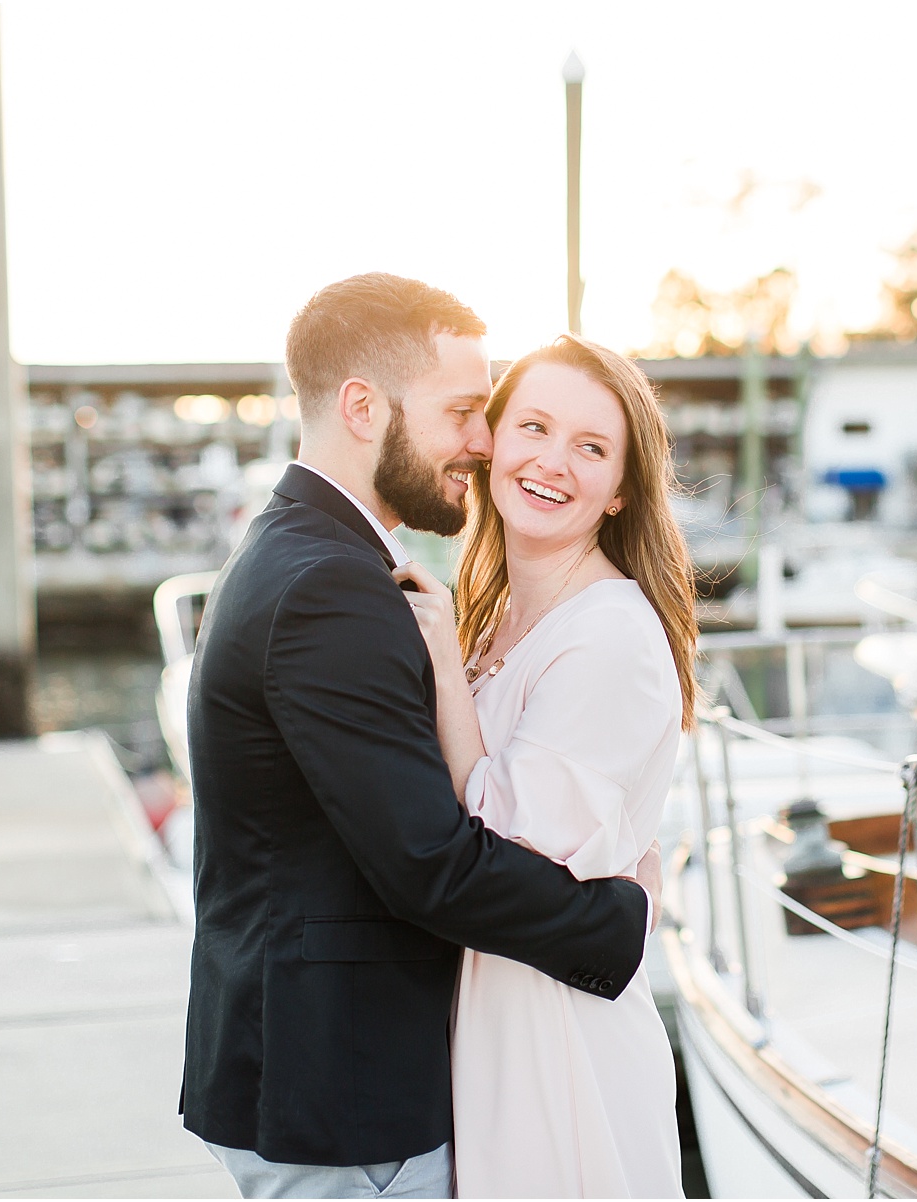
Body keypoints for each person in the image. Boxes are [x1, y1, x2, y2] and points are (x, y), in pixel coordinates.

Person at [180, 274, 660, 1200]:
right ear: (363, 408)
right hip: (341, 1093)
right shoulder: (331, 583)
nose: (480, 444)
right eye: (466, 413)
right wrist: (620, 922)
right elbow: (429, 863)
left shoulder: (313, 555)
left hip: (333, 1074)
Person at [396, 335, 698, 1197]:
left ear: (621, 491)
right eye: (533, 426)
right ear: (492, 441)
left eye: (591, 448)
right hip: (492, 1022)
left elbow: (501, 850)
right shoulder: (497, 613)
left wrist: (447, 672)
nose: (552, 462)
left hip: (561, 1045)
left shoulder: (608, 636)